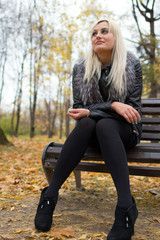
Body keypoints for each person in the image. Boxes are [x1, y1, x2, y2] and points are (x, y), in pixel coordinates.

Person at [34, 19, 142, 240]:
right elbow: (79, 110)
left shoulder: (132, 65)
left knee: (103, 123)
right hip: (92, 131)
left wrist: (99, 111)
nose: (98, 35)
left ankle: (124, 207)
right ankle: (50, 196)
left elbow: (133, 111)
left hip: (125, 131)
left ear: (116, 37)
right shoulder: (81, 68)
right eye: (94, 33)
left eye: (104, 31)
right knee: (88, 123)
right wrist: (112, 105)